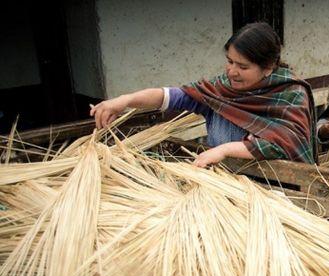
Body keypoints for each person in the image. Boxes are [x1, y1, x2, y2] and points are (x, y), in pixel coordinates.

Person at [90, 22, 316, 167]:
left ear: (267, 67)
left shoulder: (290, 95)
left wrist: (225, 150)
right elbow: (171, 96)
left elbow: (283, 144)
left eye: (243, 67)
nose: (231, 72)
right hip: (221, 187)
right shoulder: (220, 90)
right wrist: (124, 100)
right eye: (229, 62)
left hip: (276, 194)